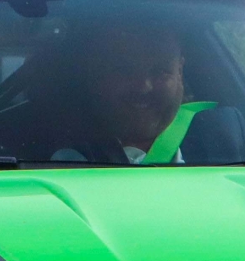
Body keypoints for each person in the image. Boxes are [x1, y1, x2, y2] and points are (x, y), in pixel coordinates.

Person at [59, 23, 190, 163]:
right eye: (124, 70)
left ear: (179, 73)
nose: (143, 87)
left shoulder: (211, 145)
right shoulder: (57, 163)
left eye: (161, 71)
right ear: (93, 74)